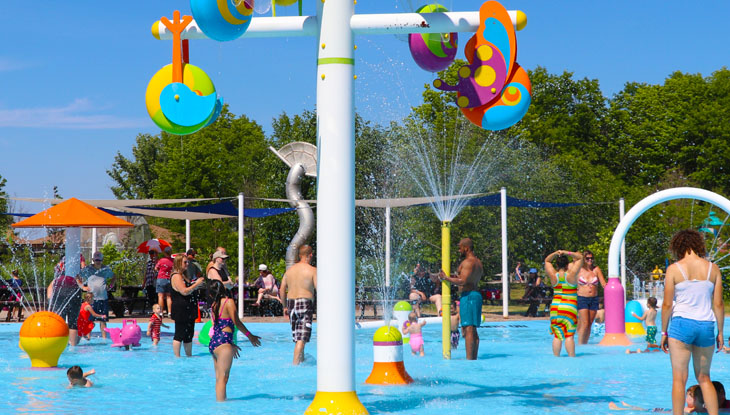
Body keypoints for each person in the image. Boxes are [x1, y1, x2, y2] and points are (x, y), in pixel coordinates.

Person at [661, 229, 724, 415]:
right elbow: (718, 304)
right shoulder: (713, 269)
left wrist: (663, 332)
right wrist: (720, 332)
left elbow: (666, 305)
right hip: (706, 325)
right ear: (698, 244)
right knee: (704, 378)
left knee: (679, 378)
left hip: (682, 324)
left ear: (678, 246)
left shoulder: (674, 269)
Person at [206, 280, 261, 401]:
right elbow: (236, 322)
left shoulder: (214, 305)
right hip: (223, 343)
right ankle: (222, 408)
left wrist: (230, 344)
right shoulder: (228, 302)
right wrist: (250, 336)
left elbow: (217, 327)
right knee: (223, 379)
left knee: (219, 378)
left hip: (214, 343)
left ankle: (220, 404)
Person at [438, 238, 484, 360]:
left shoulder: (468, 262)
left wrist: (446, 278)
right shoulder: (478, 262)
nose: (459, 250)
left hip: (468, 296)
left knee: (468, 329)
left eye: (460, 247)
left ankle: (469, 360)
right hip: (475, 296)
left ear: (466, 248)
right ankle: (473, 359)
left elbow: (462, 280)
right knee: (472, 329)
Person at [279, 244, 317, 365]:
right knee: (302, 338)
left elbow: (282, 288)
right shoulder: (312, 270)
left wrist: (284, 306)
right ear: (310, 255)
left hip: (291, 303)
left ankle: (300, 361)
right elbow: (319, 288)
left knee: (298, 337)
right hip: (305, 303)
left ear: (299, 255)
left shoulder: (289, 271)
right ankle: (295, 366)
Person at [544, 250, 583, 357]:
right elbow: (580, 258)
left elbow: (547, 261)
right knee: (569, 336)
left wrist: (556, 253)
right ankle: (572, 358)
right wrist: (567, 252)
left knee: (557, 335)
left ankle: (556, 358)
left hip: (556, 308)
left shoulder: (553, 275)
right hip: (569, 307)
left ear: (557, 264)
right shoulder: (571, 275)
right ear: (567, 265)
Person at [170, 254, 206, 357]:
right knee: (179, 334)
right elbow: (184, 291)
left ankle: (189, 356)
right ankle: (177, 356)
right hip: (181, 309)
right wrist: (197, 284)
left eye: (187, 262)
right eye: (185, 262)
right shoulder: (176, 276)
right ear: (178, 263)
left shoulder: (184, 275)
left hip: (189, 308)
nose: (187, 264)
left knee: (189, 334)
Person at [47, 255, 85, 346]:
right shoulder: (78, 259)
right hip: (73, 289)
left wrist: (50, 298)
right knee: (73, 321)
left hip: (59, 289)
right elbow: (81, 277)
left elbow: (54, 280)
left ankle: (59, 343)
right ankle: (73, 345)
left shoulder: (58, 265)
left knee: (60, 320)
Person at [80, 252, 115, 340]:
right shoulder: (88, 269)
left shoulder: (105, 269)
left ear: (102, 260)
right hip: (92, 300)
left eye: (99, 260)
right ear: (93, 260)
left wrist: (111, 285)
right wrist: (82, 287)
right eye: (96, 260)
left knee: (103, 319)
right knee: (89, 320)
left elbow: (114, 276)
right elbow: (77, 276)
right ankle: (88, 338)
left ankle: (104, 339)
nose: (98, 262)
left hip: (103, 298)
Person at [576, 250, 607, 345]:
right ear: (583, 259)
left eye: (591, 258)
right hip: (582, 298)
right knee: (585, 323)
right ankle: (580, 344)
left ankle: (585, 343)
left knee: (589, 323)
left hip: (594, 299)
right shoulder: (579, 270)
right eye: (587, 258)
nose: (590, 260)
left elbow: (603, 284)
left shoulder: (596, 269)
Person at [608, 385, 703, 413]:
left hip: (664, 411)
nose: (686, 399)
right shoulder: (699, 408)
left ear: (695, 399)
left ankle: (620, 409)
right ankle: (628, 406)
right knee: (644, 409)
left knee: (645, 410)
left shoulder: (689, 410)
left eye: (688, 397)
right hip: (667, 410)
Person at [155, 247, 174, 317]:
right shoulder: (173, 261)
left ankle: (161, 312)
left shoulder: (161, 260)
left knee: (160, 296)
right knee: (169, 296)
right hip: (169, 278)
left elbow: (156, 268)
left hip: (161, 278)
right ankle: (170, 312)